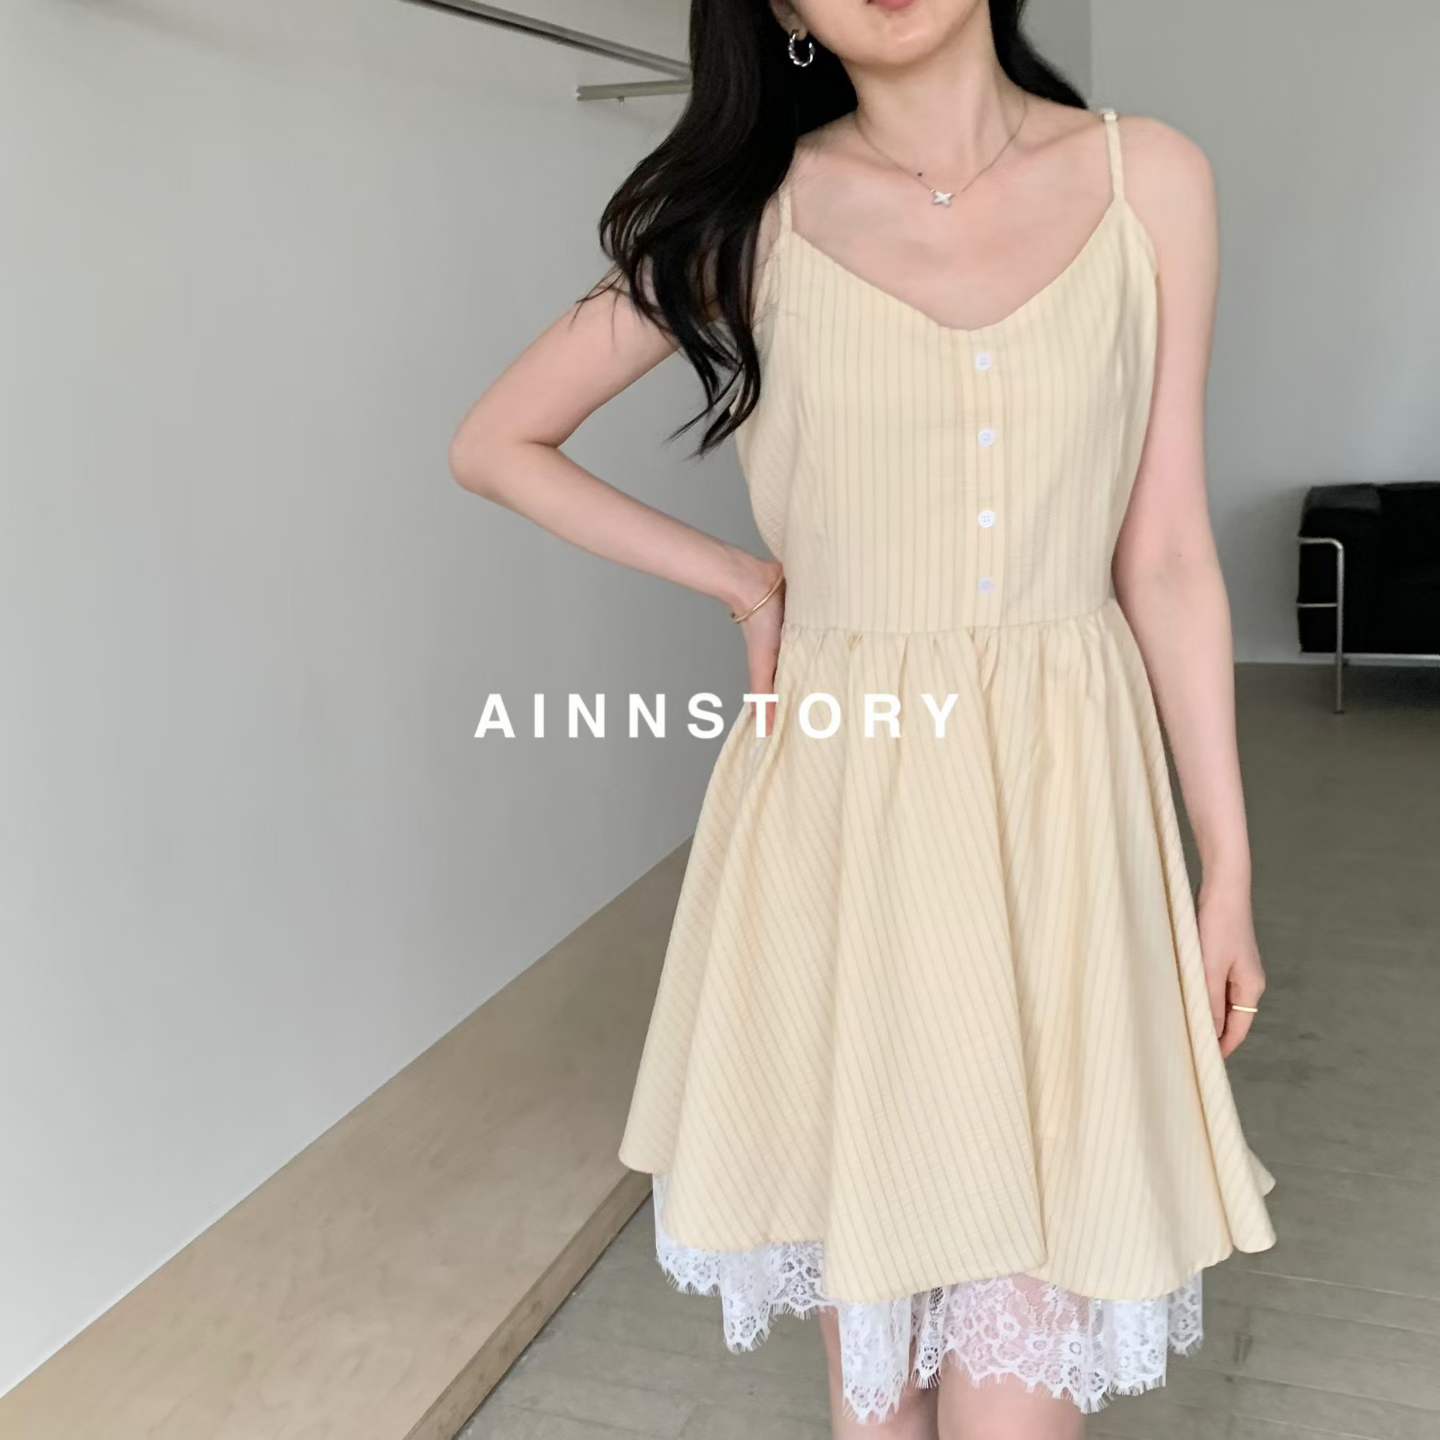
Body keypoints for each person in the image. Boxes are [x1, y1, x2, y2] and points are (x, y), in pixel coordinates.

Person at [449, 1, 1278, 1434]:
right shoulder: (752, 217)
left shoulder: (1150, 179)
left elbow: (1165, 557)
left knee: (1026, 1362)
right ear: (780, 10)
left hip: (1065, 814)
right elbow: (497, 441)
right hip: (848, 821)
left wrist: (1228, 866)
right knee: (877, 1378)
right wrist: (740, 580)